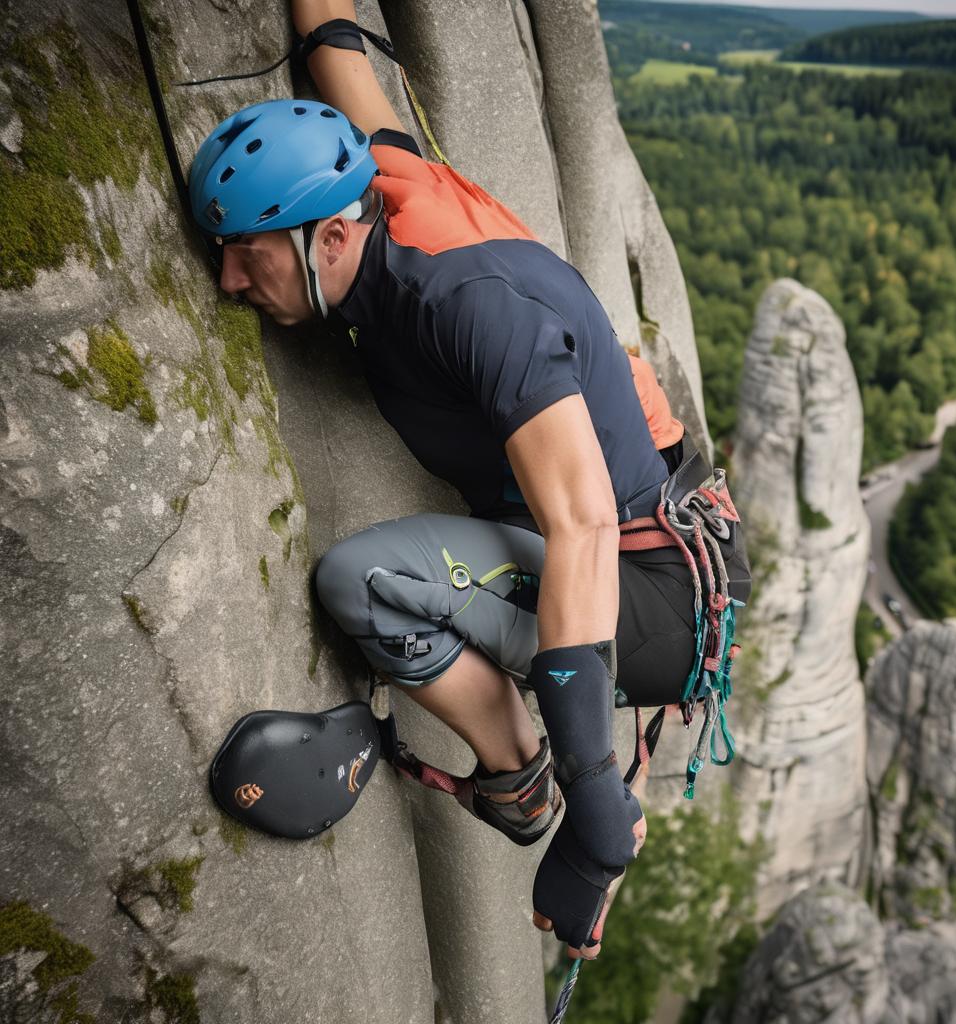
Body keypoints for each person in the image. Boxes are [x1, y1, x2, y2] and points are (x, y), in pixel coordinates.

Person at [189, 0, 714, 962]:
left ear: (330, 238)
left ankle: (524, 778)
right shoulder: (381, 185)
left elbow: (585, 526)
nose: (228, 281)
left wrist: (596, 806)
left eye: (248, 255)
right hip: (623, 541)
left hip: (648, 589)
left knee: (364, 579)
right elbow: (337, 48)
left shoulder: (468, 306)